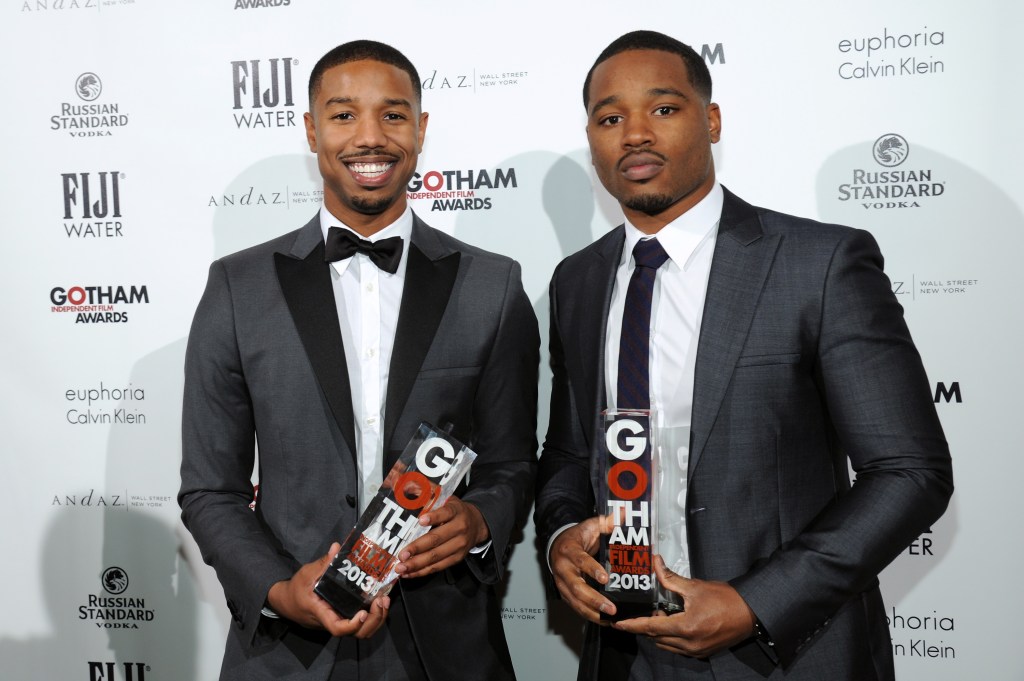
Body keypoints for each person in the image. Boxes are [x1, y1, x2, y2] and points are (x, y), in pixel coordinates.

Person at [535, 30, 953, 681]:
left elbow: (908, 470)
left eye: (664, 108)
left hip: (786, 653)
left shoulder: (820, 263)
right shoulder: (576, 282)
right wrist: (561, 538)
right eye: (610, 117)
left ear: (712, 118)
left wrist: (753, 602)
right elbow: (567, 453)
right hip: (623, 652)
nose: (635, 133)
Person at [179, 40, 538, 681]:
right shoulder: (237, 289)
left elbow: (512, 463)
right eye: (343, 116)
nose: (369, 137)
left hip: (447, 650)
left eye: (393, 115)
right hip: (290, 650)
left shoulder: (493, 286)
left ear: (422, 129)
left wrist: (481, 519)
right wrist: (283, 590)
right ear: (311, 131)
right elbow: (212, 489)